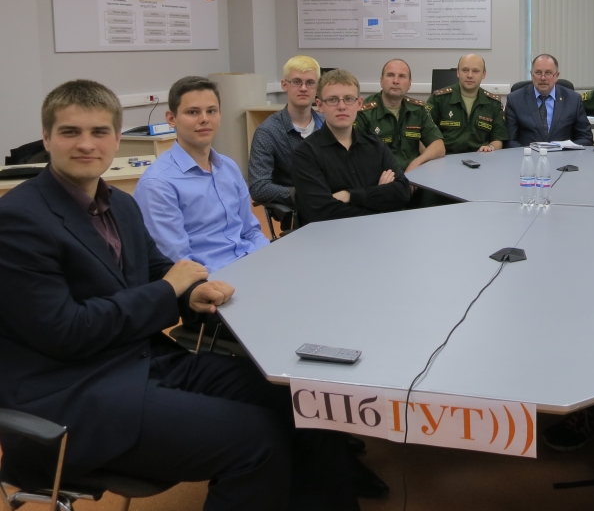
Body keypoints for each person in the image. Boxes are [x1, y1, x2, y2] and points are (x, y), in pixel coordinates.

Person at [0, 79, 361, 510]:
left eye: (99, 132)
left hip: (142, 362)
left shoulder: (119, 204)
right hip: (75, 394)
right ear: (46, 138)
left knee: (305, 401)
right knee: (257, 440)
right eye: (70, 132)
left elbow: (156, 269)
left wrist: (190, 293)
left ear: (116, 137)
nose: (86, 144)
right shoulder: (19, 220)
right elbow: (67, 331)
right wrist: (169, 288)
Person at [135, 76, 268, 273]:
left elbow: (250, 231)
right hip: (210, 279)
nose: (204, 119)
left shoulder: (228, 167)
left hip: (250, 264)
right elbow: (178, 262)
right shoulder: (158, 184)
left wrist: (270, 258)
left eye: (211, 111)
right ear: (171, 119)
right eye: (193, 112)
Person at [293, 68, 411, 224]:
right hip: (330, 236)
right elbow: (321, 212)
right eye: (333, 100)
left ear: (359, 104)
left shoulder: (376, 146)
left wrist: (350, 195)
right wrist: (378, 197)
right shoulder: (305, 154)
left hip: (378, 233)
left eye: (349, 99)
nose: (342, 106)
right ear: (320, 105)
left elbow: (402, 192)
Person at [248, 55, 325, 205]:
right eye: (296, 82)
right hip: (298, 208)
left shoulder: (328, 125)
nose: (303, 88)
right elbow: (258, 187)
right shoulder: (268, 132)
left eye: (310, 82)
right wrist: (304, 194)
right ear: (284, 85)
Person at [356, 58, 445, 171]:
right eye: (390, 75)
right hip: (379, 176)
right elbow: (356, 154)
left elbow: (439, 146)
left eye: (402, 76)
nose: (396, 81)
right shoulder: (363, 112)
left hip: (412, 174)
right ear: (381, 81)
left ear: (409, 84)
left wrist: (416, 163)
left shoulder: (418, 110)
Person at [505, 53, 593, 147]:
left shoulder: (573, 100)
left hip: (563, 155)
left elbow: (585, 138)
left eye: (548, 73)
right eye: (538, 72)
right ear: (532, 74)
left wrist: (567, 150)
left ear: (557, 76)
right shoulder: (515, 100)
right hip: (528, 155)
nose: (543, 78)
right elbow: (510, 141)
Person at [427, 54, 508, 153]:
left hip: (480, 158)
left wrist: (490, 147)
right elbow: (424, 134)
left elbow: (498, 138)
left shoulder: (493, 103)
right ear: (458, 72)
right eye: (465, 70)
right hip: (445, 157)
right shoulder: (439, 99)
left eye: (475, 71)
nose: (470, 75)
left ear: (483, 74)